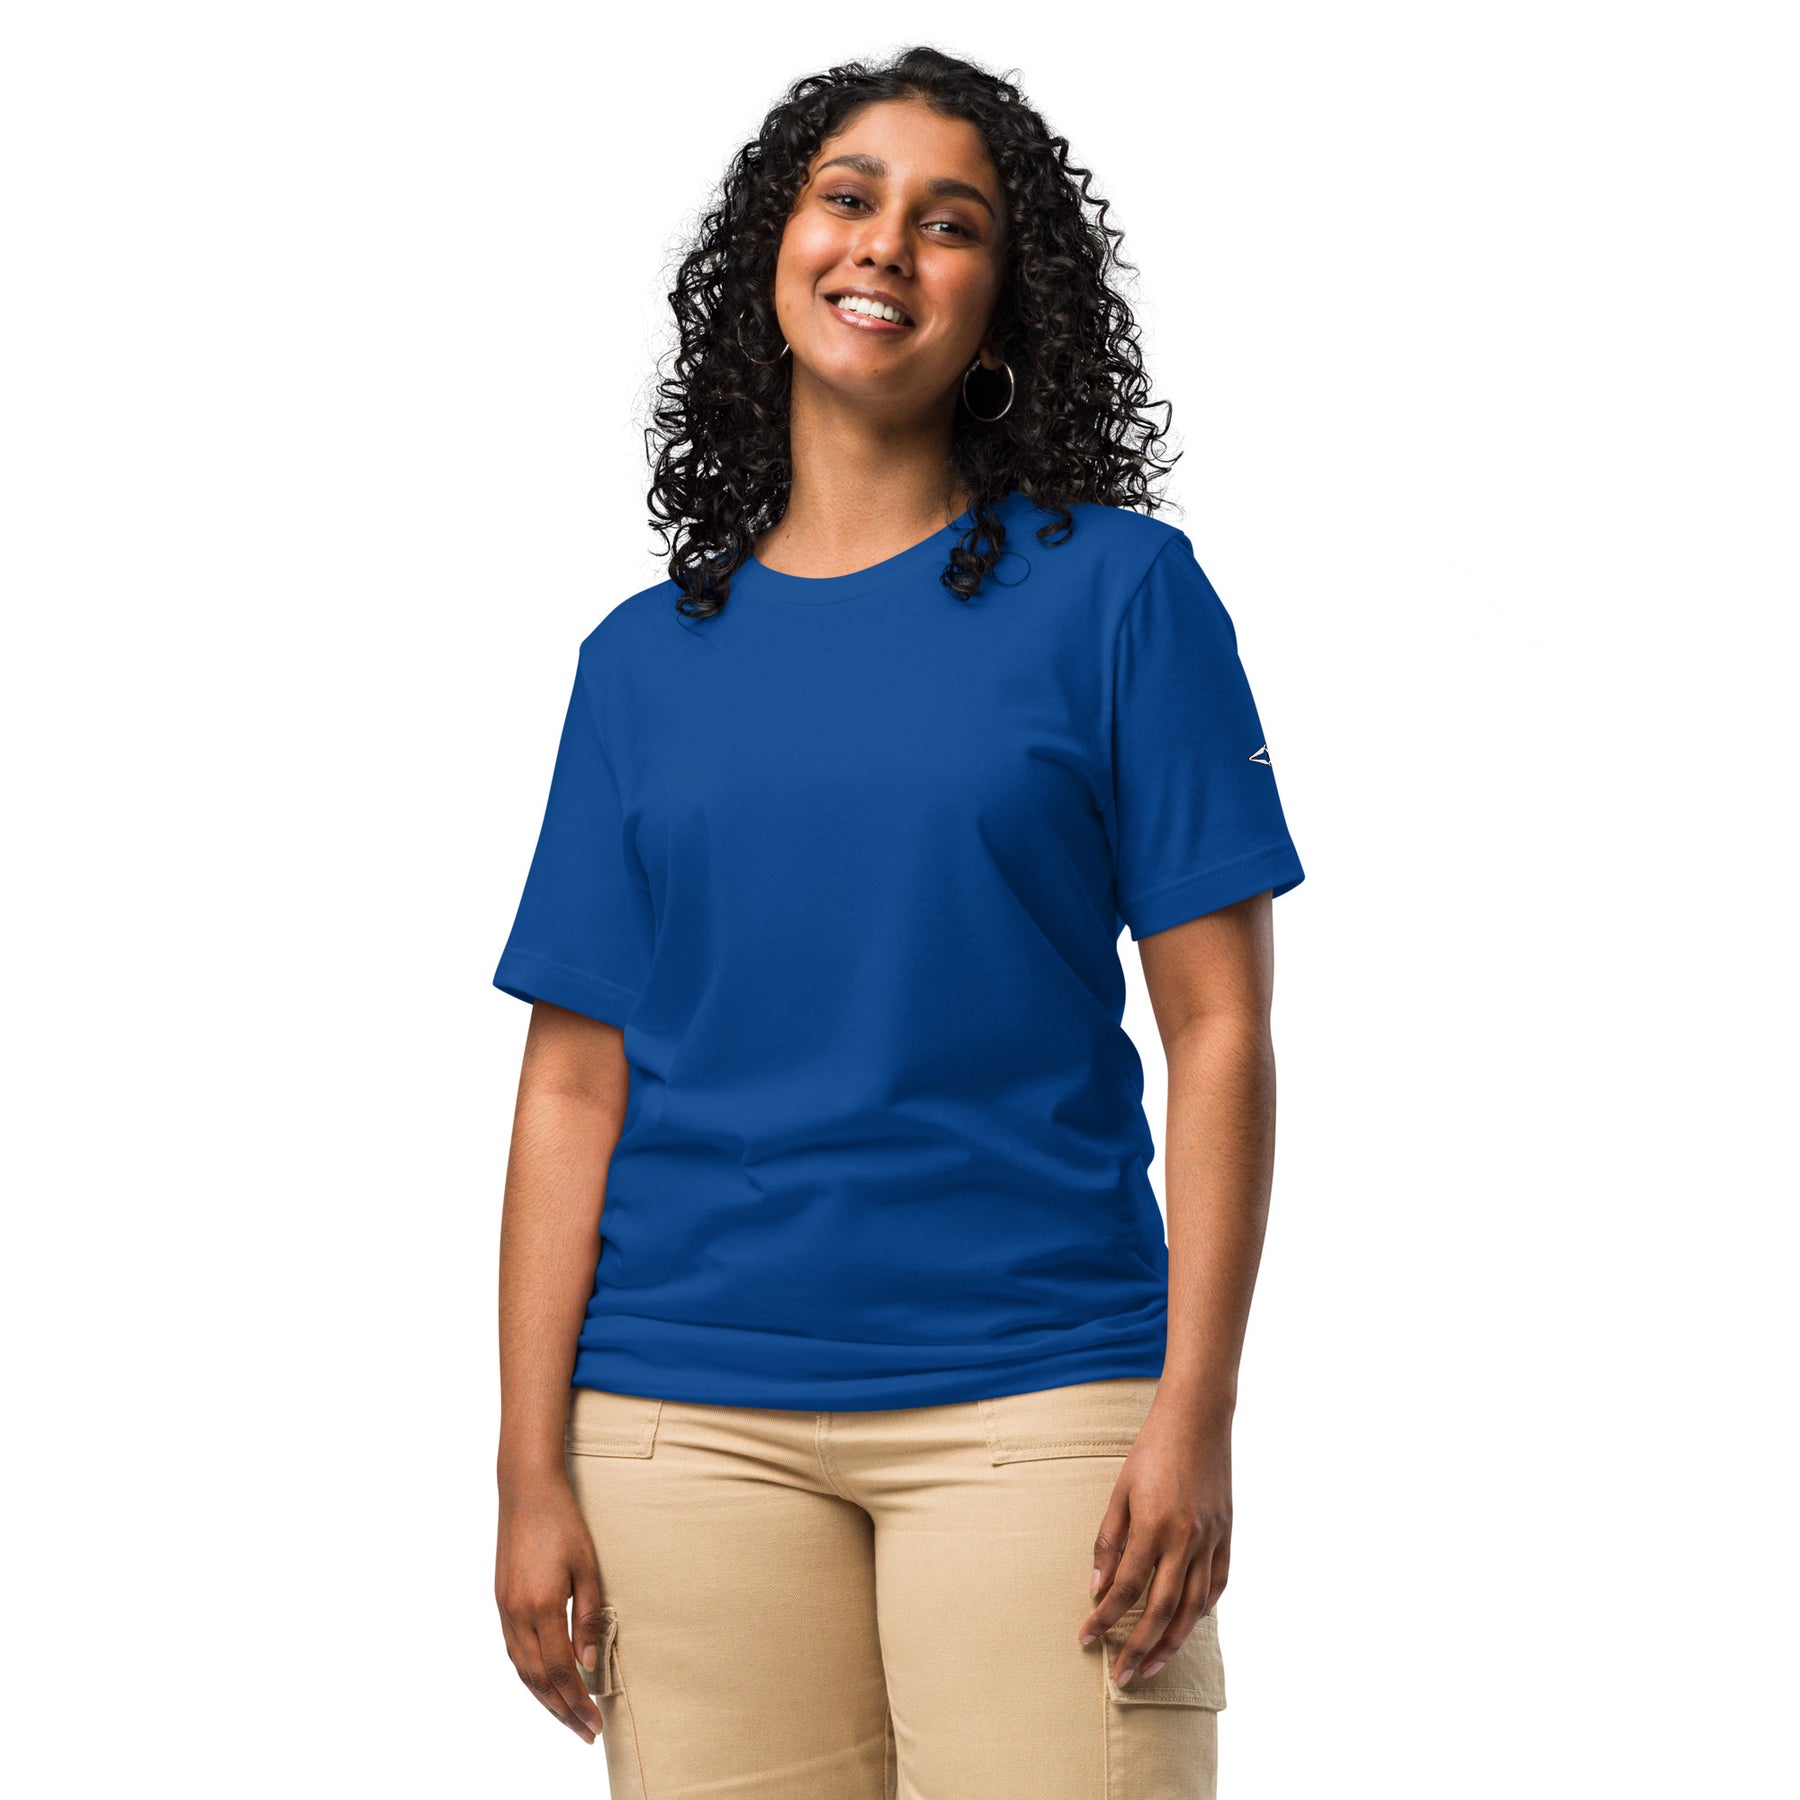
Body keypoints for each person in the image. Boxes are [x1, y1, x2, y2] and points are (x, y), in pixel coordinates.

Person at [490, 45, 1304, 1800]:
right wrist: (525, 1465)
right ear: (772, 256)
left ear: (1005, 305)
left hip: (1041, 1403)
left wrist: (1197, 1408)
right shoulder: (639, 664)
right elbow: (572, 1081)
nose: (885, 245)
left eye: (951, 223)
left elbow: (1220, 1027)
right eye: (848, 198)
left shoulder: (1122, 596)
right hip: (682, 1425)